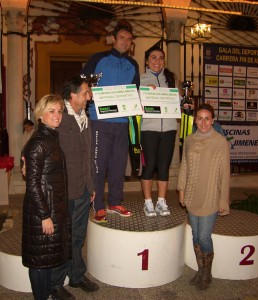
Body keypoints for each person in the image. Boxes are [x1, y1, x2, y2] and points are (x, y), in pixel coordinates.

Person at [80, 20, 140, 223]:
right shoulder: (98, 59)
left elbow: (135, 92)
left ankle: (115, 202)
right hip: (100, 120)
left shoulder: (133, 64)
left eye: (129, 39)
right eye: (122, 38)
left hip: (122, 121)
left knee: (118, 164)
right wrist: (89, 95)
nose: (125, 42)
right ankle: (97, 205)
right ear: (113, 39)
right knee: (98, 164)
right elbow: (82, 82)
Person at [50, 76, 99, 299]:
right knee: (63, 237)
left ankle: (77, 276)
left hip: (83, 189)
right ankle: (56, 283)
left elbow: (88, 157)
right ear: (73, 95)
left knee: (78, 236)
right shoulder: (59, 118)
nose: (89, 96)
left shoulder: (84, 117)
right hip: (64, 191)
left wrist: (92, 186)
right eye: (86, 93)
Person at [22, 94, 71, 300]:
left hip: (51, 208)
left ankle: (47, 294)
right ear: (40, 114)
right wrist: (44, 216)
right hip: (42, 212)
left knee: (47, 258)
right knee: (40, 262)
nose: (57, 115)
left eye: (59, 111)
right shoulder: (39, 143)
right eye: (51, 110)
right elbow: (32, 184)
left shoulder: (50, 138)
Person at [177, 103, 230, 290]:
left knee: (204, 236)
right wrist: (181, 191)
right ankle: (200, 271)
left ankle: (207, 274)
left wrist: (223, 200)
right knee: (195, 236)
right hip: (192, 194)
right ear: (195, 120)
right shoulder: (190, 140)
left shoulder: (220, 141)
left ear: (213, 120)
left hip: (210, 196)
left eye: (207, 118)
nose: (203, 122)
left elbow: (225, 173)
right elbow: (184, 167)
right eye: (199, 118)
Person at [140, 46, 177, 217]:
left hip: (169, 128)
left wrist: (183, 102)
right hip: (149, 129)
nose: (157, 61)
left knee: (164, 166)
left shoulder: (171, 79)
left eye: (161, 57)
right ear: (147, 61)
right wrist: (145, 95)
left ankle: (161, 201)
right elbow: (135, 105)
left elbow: (177, 101)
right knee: (149, 166)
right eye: (153, 57)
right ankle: (148, 202)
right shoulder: (140, 79)